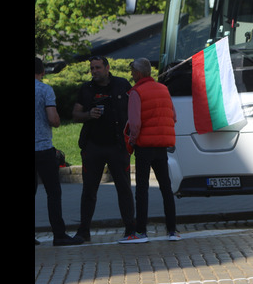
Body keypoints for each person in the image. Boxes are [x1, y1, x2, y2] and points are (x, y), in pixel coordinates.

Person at [73, 56, 137, 243]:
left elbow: (135, 106)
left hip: (118, 146)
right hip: (93, 147)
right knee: (89, 190)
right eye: (92, 68)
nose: (94, 71)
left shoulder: (121, 84)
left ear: (107, 68)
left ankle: (130, 228)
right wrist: (88, 114)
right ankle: (83, 230)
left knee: (124, 188)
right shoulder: (86, 89)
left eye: (98, 67)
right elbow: (75, 114)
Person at [127, 58, 179, 242]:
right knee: (166, 187)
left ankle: (141, 231)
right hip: (161, 146)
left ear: (139, 73)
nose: (132, 75)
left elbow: (135, 124)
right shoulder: (163, 89)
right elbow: (173, 117)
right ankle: (172, 230)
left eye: (133, 72)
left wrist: (132, 141)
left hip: (144, 147)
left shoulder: (136, 92)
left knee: (142, 189)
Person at [35, 57, 83, 246]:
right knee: (53, 192)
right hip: (43, 148)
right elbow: (53, 118)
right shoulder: (45, 90)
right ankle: (59, 234)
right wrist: (56, 122)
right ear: (43, 72)